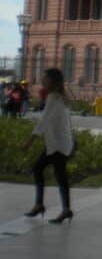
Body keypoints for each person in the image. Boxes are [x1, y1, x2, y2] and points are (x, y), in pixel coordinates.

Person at [23, 68, 74, 224]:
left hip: (58, 145)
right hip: (58, 143)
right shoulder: (58, 97)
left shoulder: (54, 97)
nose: (42, 80)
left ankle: (43, 205)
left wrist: (29, 141)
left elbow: (43, 121)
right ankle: (62, 209)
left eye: (45, 78)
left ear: (53, 81)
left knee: (42, 169)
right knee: (58, 175)